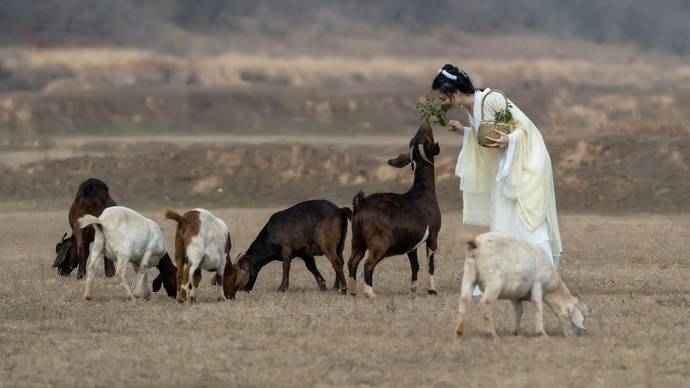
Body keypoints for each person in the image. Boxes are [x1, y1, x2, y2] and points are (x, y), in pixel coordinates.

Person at [432, 64, 562, 268]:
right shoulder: (470, 108)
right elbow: (487, 135)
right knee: (502, 213)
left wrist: (510, 139)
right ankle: (508, 269)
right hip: (508, 164)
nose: (442, 103)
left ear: (455, 92)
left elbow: (524, 127)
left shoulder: (491, 99)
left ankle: (544, 269)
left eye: (442, 98)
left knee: (526, 214)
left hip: (528, 160)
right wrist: (465, 131)